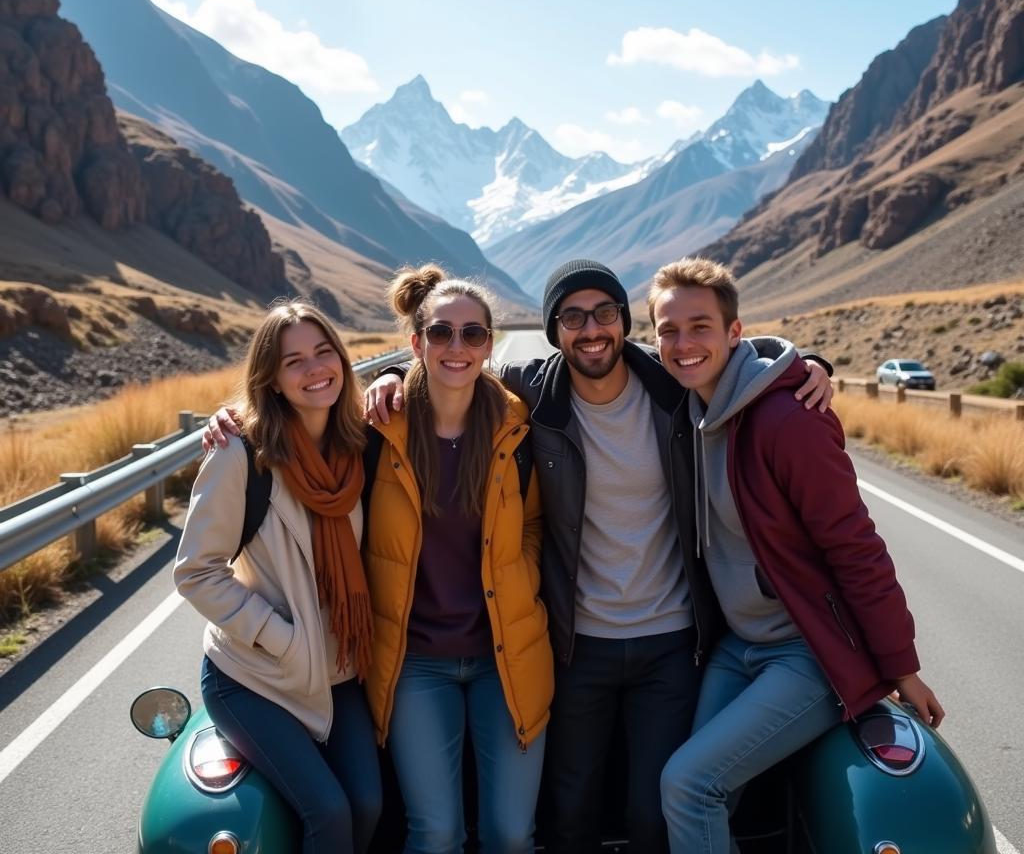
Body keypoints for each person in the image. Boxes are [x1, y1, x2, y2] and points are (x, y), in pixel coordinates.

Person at [363, 258, 833, 854]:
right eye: (572, 317)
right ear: (554, 331)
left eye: (605, 313)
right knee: (570, 809)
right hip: (575, 643)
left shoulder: (672, 388)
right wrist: (394, 379)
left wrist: (808, 364)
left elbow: (737, 351)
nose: (591, 329)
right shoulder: (530, 392)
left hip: (671, 644)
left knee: (650, 814)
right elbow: (452, 367)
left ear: (625, 321)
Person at [648, 257, 943, 854]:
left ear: (734, 334)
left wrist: (900, 665)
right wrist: (397, 372)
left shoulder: (788, 421)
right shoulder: (689, 407)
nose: (683, 343)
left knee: (689, 783)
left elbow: (856, 546)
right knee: (707, 791)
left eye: (700, 326)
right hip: (740, 647)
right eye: (668, 329)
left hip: (809, 652)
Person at [175, 301, 382, 854]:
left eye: (323, 353)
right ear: (271, 378)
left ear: (341, 358)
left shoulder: (356, 446)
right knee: (330, 813)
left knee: (369, 804)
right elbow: (195, 572)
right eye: (295, 362)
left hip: (338, 672)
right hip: (256, 676)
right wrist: (279, 636)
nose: (315, 369)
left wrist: (390, 375)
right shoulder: (241, 453)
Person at [364, 264, 553, 853]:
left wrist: (519, 573)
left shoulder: (516, 425)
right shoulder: (377, 429)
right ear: (416, 342)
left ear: (489, 344)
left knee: (511, 834)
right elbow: (292, 410)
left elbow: (534, 523)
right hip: (416, 663)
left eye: (473, 335)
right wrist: (229, 423)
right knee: (435, 832)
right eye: (441, 333)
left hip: (507, 656)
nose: (457, 347)